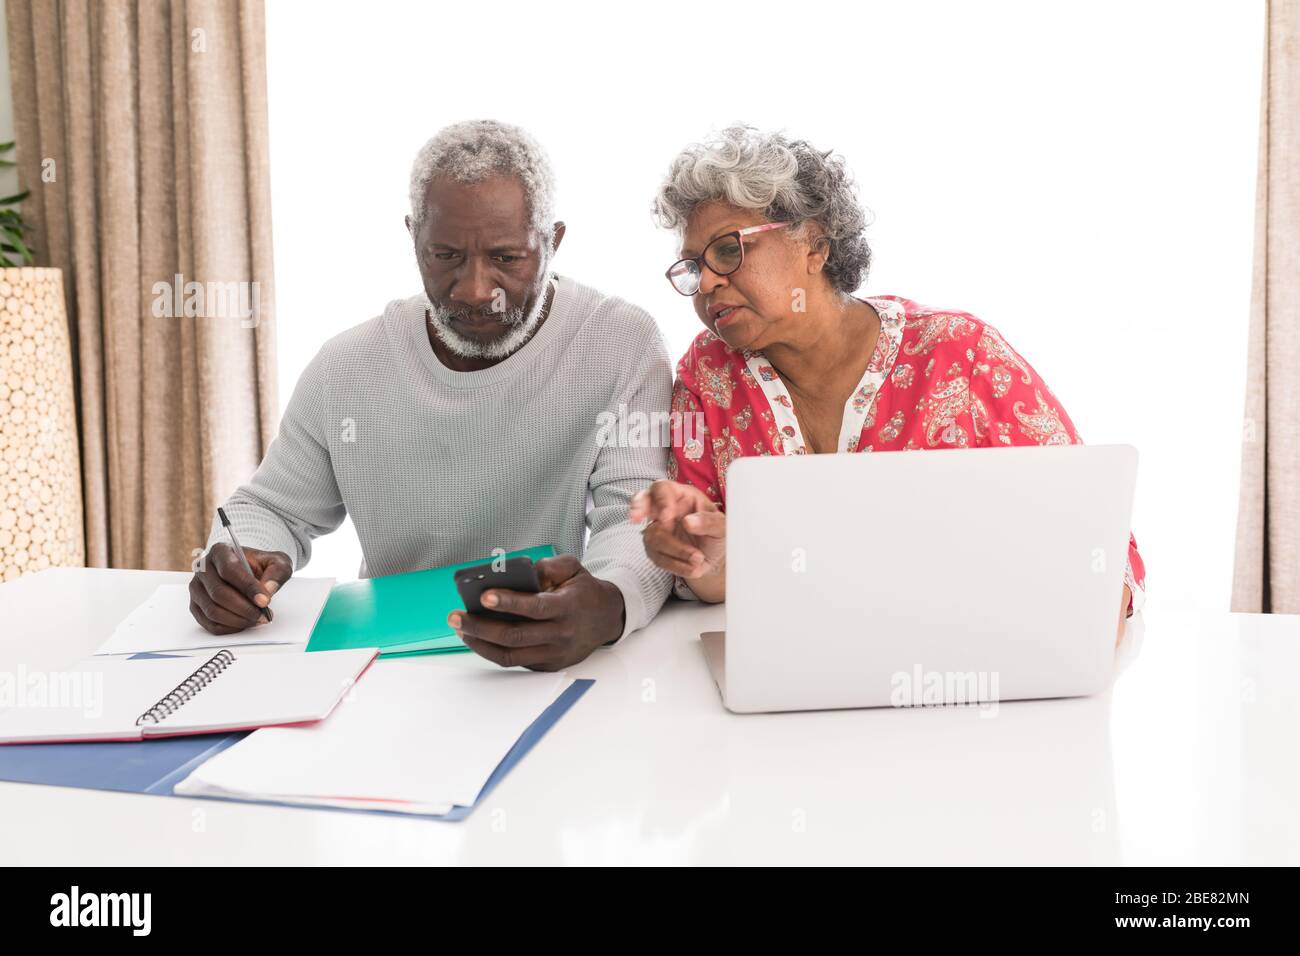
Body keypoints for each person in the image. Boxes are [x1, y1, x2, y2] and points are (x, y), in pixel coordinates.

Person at [631, 126, 1145, 643]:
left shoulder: (960, 354)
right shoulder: (708, 373)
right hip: (797, 669)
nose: (710, 283)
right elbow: (714, 575)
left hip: (965, 663)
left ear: (813, 245)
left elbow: (1099, 546)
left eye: (727, 250)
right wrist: (701, 554)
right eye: (694, 268)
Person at [190, 120, 672, 669]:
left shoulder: (619, 342)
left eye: (507, 258)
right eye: (445, 256)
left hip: (546, 666)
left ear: (554, 241)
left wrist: (609, 605)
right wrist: (240, 559)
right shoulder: (347, 366)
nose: (474, 290)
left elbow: (638, 514)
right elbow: (272, 508)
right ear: (413, 237)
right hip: (386, 667)